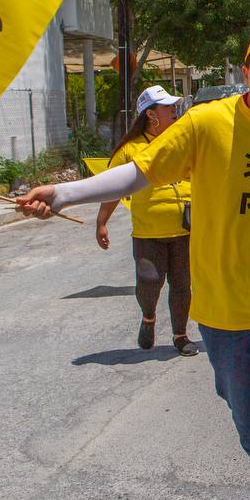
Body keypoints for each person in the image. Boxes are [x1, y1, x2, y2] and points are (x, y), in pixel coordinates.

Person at [18, 26, 250, 500]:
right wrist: (62, 195)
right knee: (244, 413)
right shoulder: (207, 123)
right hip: (222, 305)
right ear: (246, 68)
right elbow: (139, 172)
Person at [94, 84, 198, 356]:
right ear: (151, 114)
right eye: (168, 108)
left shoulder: (182, 141)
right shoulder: (130, 150)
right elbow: (113, 187)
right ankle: (148, 317)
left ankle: (180, 335)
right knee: (149, 281)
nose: (175, 111)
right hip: (148, 232)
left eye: (175, 107)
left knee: (182, 284)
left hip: (185, 230)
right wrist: (101, 221)